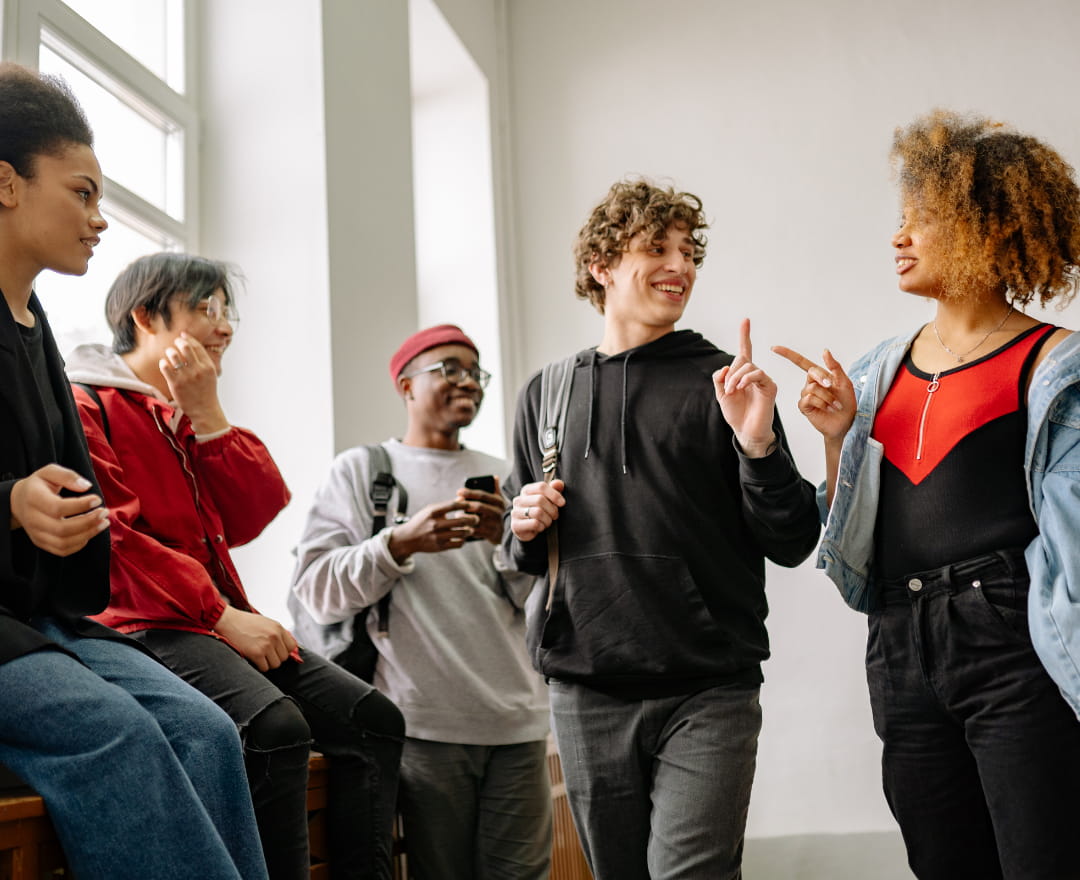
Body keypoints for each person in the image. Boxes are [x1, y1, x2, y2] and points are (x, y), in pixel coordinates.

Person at [774, 110, 1080, 880]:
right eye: (899, 220)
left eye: (923, 220)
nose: (898, 237)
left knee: (1042, 859)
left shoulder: (1056, 365)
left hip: (1012, 640)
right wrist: (838, 434)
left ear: (988, 229)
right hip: (899, 638)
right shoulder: (876, 371)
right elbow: (848, 525)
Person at [502, 179, 821, 880]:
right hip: (586, 689)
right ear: (602, 265)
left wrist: (758, 447)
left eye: (688, 250)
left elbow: (794, 539)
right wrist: (523, 523)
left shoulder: (724, 385)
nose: (679, 265)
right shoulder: (546, 393)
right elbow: (518, 551)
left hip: (709, 688)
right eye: (656, 247)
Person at [0, 62, 267, 880]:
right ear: (6, 184)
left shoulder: (35, 320)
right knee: (116, 730)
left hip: (41, 618)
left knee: (208, 730)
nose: (99, 219)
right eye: (82, 193)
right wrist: (8, 501)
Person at [66, 252, 405, 880]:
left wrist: (209, 414)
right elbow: (113, 537)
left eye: (229, 312)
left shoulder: (178, 416)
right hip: (143, 625)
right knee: (275, 725)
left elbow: (251, 514)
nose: (225, 327)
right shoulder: (84, 403)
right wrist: (222, 616)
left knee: (372, 719)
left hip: (213, 618)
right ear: (145, 317)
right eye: (207, 309)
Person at [290, 324, 552, 880]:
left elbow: (545, 602)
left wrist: (502, 544)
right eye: (449, 369)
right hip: (424, 726)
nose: (468, 383)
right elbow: (315, 591)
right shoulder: (362, 472)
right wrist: (399, 542)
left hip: (519, 724)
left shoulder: (507, 477)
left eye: (475, 372)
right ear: (406, 385)